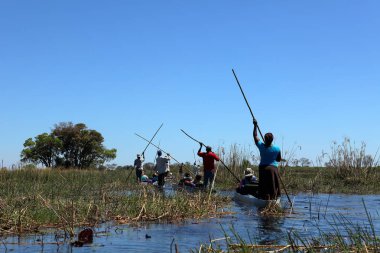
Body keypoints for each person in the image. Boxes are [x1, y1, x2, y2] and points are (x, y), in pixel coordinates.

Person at [253, 120, 281, 200]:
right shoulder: (277, 148)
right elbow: (278, 159)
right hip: (273, 169)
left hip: (263, 168)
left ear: (264, 139)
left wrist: (255, 126)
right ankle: (274, 198)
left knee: (264, 185)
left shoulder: (261, 146)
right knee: (273, 184)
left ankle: (264, 198)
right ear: (272, 139)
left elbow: (255, 136)